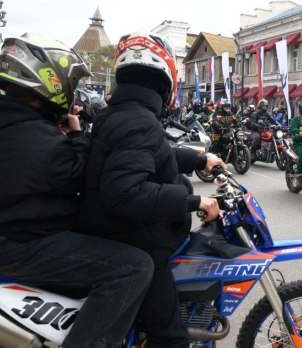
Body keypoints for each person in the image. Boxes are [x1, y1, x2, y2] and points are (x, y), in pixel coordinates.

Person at [0, 33, 154, 347]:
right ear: (50, 83)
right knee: (134, 267)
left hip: (17, 233)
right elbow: (81, 176)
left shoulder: (19, 125)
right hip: (23, 243)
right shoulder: (36, 139)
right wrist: (78, 136)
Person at [80, 32, 226, 347]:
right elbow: (128, 192)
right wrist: (194, 200)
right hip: (134, 237)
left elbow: (150, 154)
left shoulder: (123, 114)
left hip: (114, 227)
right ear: (166, 81)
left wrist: (200, 157)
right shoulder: (140, 121)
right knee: (171, 338)